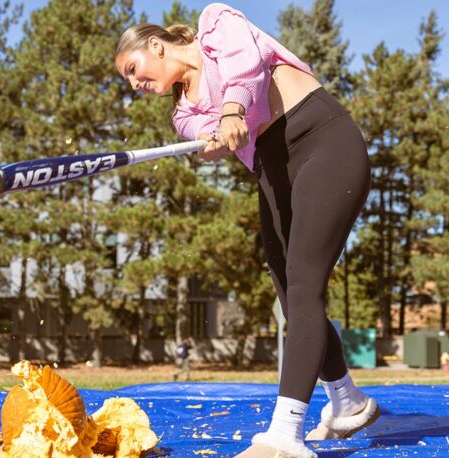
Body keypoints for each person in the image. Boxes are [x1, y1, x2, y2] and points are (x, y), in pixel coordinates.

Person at [115, 3, 377, 457]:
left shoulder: (215, 23)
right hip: (272, 170)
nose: (136, 85)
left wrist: (233, 110)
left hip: (323, 142)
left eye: (134, 70)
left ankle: (285, 433)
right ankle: (348, 402)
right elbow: (208, 135)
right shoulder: (181, 112)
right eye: (130, 82)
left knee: (303, 282)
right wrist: (216, 130)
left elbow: (246, 66)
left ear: (155, 45)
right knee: (290, 293)